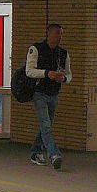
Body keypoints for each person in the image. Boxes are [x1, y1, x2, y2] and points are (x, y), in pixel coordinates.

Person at [25, 23, 72, 169]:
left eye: (62, 33)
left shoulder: (63, 53)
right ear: (49, 34)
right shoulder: (36, 49)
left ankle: (36, 151)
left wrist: (63, 79)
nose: (60, 37)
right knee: (45, 125)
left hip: (54, 94)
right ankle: (54, 155)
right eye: (58, 33)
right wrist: (47, 73)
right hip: (39, 93)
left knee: (47, 126)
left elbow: (69, 74)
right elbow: (29, 71)